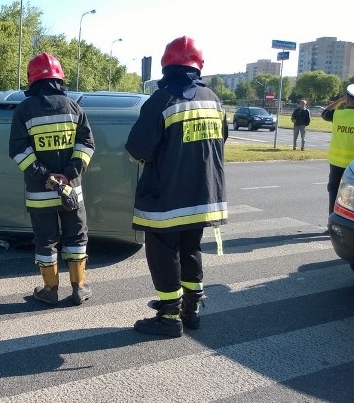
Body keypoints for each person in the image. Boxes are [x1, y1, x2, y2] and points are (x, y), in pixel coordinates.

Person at [125, 36, 228, 338]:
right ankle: (192, 309)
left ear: (166, 65)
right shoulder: (214, 99)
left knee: (163, 253)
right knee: (191, 248)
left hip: (166, 198)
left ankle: (170, 316)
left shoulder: (162, 100)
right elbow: (221, 140)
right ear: (198, 66)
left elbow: (138, 148)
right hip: (203, 195)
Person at [9, 53, 96, 306]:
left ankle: (49, 290)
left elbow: (18, 151)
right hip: (72, 191)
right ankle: (79, 288)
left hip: (40, 192)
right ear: (59, 77)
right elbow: (87, 144)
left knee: (46, 240)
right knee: (77, 237)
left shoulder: (24, 110)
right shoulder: (74, 107)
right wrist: (69, 174)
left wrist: (45, 176)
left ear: (32, 78)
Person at [321, 84, 354, 216]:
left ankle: (333, 221)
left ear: (347, 99)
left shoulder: (338, 115)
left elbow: (324, 113)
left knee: (334, 192)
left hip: (336, 163)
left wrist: (340, 101)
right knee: (352, 197)